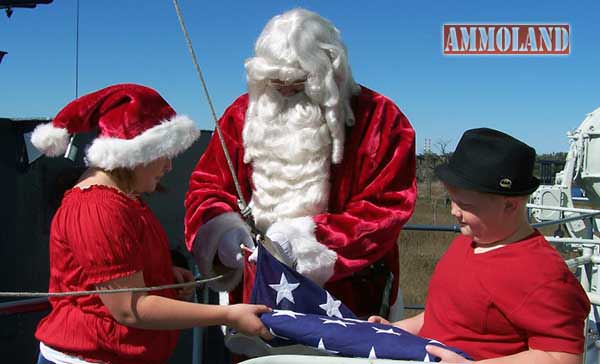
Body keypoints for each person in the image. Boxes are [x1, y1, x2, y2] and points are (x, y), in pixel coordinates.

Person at [184, 8, 417, 319]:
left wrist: (303, 242)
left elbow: (386, 208)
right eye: (274, 81)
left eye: (297, 82)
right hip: (256, 302)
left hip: (350, 301)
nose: (284, 90)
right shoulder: (239, 116)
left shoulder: (380, 120)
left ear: (331, 70)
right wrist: (223, 233)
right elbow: (207, 187)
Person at [31, 84, 271, 364]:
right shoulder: (99, 208)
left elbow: (108, 276)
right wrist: (229, 314)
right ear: (135, 154)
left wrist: (164, 276)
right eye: (163, 154)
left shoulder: (124, 200)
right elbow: (130, 309)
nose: (169, 167)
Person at [369, 128, 590, 363]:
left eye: (465, 204)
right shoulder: (467, 242)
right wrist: (396, 330)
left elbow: (562, 357)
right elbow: (440, 319)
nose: (454, 211)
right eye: (452, 201)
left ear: (511, 205)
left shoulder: (543, 273)